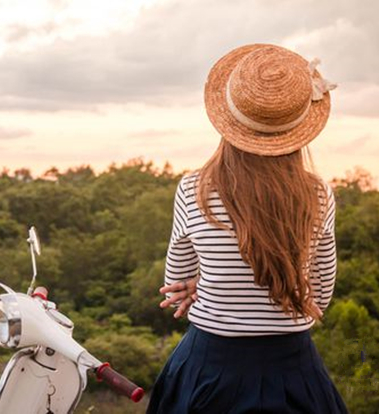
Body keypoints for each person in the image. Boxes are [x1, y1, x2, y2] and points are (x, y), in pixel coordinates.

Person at [147, 44, 349, 413]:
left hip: (208, 368)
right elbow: (319, 295)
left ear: (230, 121)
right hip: (293, 371)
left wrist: (208, 284)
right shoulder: (319, 194)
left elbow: (176, 278)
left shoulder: (193, 189)